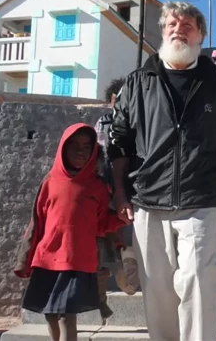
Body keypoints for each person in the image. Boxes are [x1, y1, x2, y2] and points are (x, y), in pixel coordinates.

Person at [108, 1, 216, 341]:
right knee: (156, 293)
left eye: (187, 24)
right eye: (172, 23)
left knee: (202, 285)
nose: (178, 29)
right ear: (162, 30)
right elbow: (119, 143)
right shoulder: (138, 83)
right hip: (147, 201)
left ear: (200, 35)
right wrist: (121, 194)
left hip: (202, 199)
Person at [14, 124, 127, 341]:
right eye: (74, 146)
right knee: (50, 314)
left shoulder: (98, 187)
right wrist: (24, 259)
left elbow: (102, 223)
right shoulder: (49, 182)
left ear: (93, 151)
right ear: (63, 149)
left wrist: (120, 220)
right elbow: (36, 223)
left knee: (68, 314)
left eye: (86, 146)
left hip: (77, 260)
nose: (80, 151)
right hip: (47, 259)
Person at [94, 79, 140, 317]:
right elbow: (100, 154)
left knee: (122, 236)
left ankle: (128, 277)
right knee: (109, 238)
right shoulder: (104, 123)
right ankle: (114, 286)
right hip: (109, 189)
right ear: (110, 101)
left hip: (134, 188)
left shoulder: (138, 121)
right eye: (117, 99)